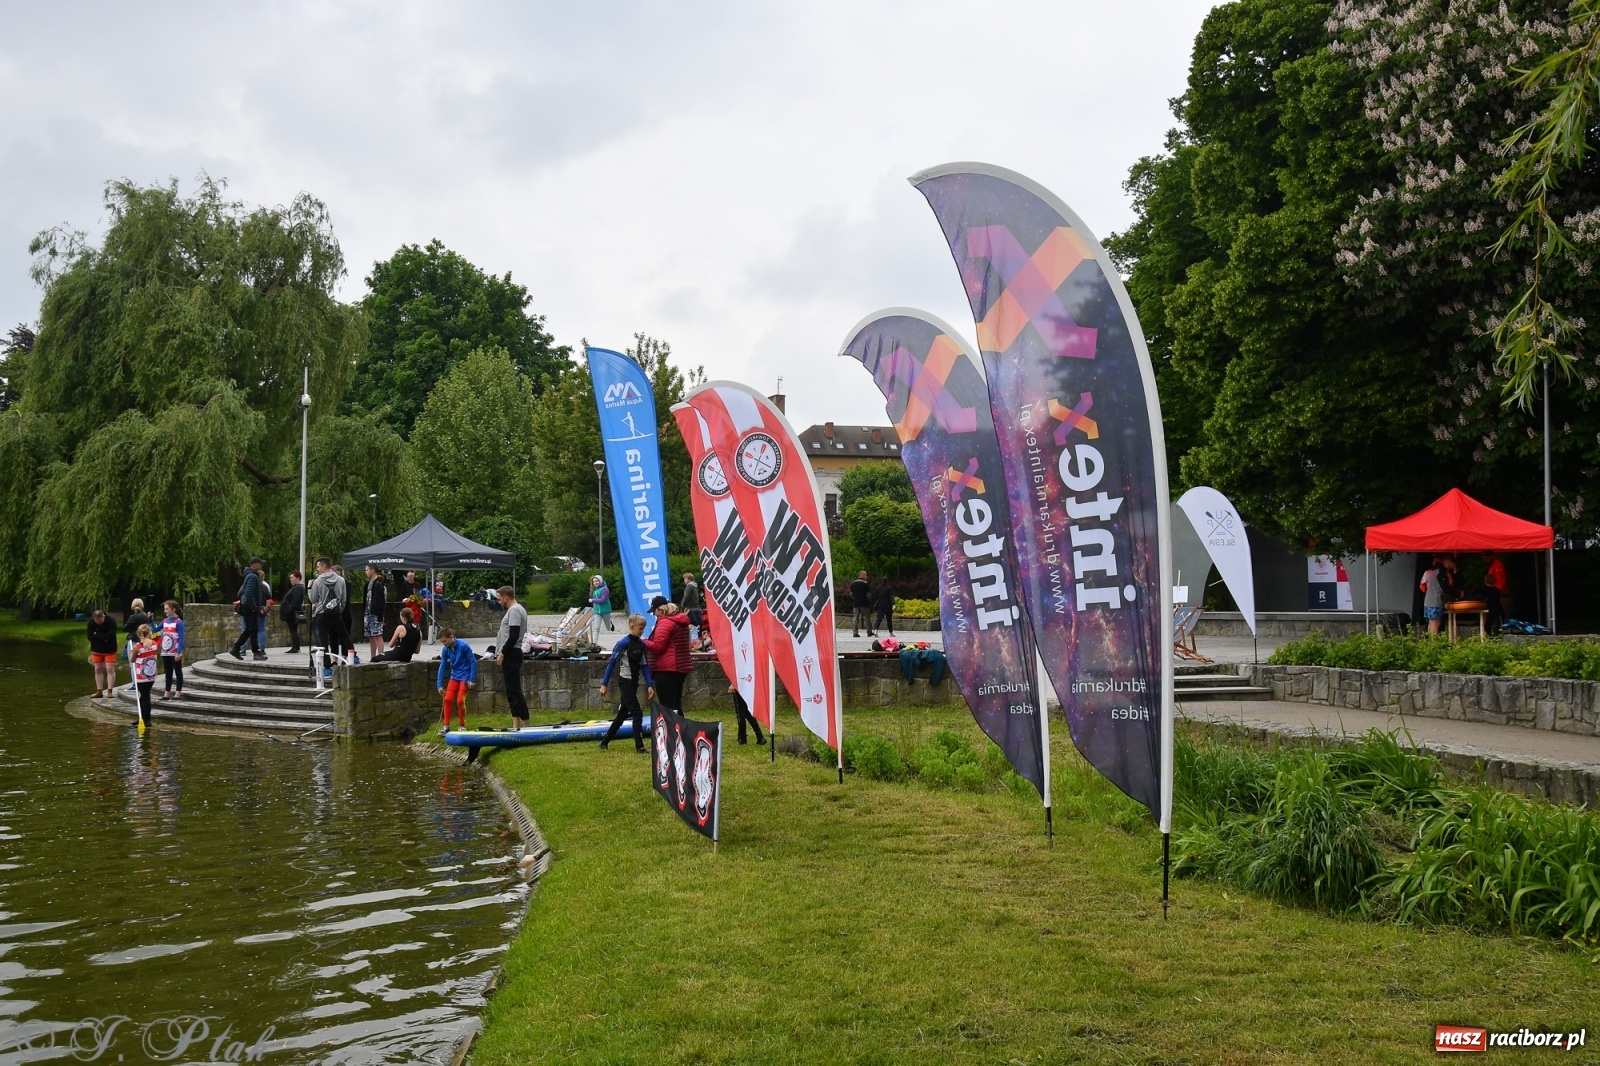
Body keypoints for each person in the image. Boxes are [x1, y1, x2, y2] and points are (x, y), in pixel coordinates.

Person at [599, 614, 655, 751]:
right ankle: (639, 747)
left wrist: (650, 684)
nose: (642, 631)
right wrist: (604, 684)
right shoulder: (623, 643)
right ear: (632, 626)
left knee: (623, 714)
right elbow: (612, 663)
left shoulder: (641, 644)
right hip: (625, 682)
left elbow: (644, 666)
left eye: (643, 628)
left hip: (634, 683)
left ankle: (604, 742)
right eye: (640, 628)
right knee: (637, 712)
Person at [643, 596, 692, 712]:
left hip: (666, 669)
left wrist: (643, 641)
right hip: (681, 667)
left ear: (660, 610)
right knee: (676, 704)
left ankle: (671, 725)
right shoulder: (680, 620)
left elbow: (658, 647)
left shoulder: (665, 622)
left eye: (654, 611)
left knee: (667, 706)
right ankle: (679, 724)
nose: (654, 614)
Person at [495, 585, 530, 729]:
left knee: (515, 691)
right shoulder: (517, 609)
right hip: (511, 653)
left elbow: (514, 635)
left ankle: (526, 724)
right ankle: (516, 723)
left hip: (511, 653)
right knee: (511, 691)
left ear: (505, 598)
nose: (499, 602)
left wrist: (503, 652)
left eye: (499, 599)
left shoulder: (514, 610)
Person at [310, 557, 349, 678]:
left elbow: (313, 599)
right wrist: (339, 610)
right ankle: (353, 657)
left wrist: (309, 588)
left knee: (323, 642)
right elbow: (343, 599)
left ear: (324, 566)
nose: (317, 569)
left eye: (318, 566)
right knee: (344, 635)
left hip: (322, 614)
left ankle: (327, 668)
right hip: (336, 613)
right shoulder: (341, 580)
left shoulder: (318, 581)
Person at [435, 627, 478, 732]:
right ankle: (446, 726)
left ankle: (462, 726)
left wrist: (472, 679)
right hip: (454, 676)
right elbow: (442, 665)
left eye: (444, 641)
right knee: (447, 699)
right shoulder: (445, 649)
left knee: (459, 700)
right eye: (441, 642)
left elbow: (473, 662)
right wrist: (439, 685)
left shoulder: (464, 646)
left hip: (465, 677)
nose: (443, 644)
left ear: (451, 637)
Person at [231, 557, 268, 661]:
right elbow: (249, 594)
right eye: (260, 563)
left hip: (248, 606)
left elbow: (243, 593)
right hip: (249, 607)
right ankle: (256, 652)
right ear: (254, 564)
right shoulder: (252, 576)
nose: (261, 565)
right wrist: (254, 608)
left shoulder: (251, 575)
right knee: (253, 630)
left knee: (249, 630)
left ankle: (236, 648)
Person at [130, 624, 160, 733]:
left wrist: (131, 653)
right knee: (144, 696)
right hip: (151, 675)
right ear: (149, 633)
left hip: (141, 675)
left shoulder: (137, 647)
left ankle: (146, 719)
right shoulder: (155, 644)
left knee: (145, 696)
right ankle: (142, 717)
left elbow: (132, 659)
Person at [87, 609, 119, 699]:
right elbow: (90, 636)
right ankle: (99, 690)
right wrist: (103, 637)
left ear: (102, 617)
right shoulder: (91, 623)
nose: (98, 623)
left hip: (109, 649)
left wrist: (97, 635)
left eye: (100, 621)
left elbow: (111, 635)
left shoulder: (111, 621)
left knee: (110, 669)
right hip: (97, 649)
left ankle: (110, 691)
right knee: (97, 669)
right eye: (96, 621)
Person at [157, 600, 184, 699]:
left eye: (167, 609)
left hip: (174, 651)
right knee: (168, 672)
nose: (165, 611)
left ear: (174, 609)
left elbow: (181, 638)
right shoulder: (165, 621)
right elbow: (155, 629)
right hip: (165, 651)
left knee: (177, 671)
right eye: (164, 609)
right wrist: (150, 619)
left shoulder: (178, 622)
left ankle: (178, 692)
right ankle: (167, 692)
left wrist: (178, 652)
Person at [333, 565, 358, 663]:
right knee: (333, 636)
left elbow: (345, 599)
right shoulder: (331, 584)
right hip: (334, 613)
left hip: (344, 613)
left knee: (345, 635)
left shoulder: (346, 584)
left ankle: (345, 655)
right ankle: (334, 658)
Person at [362, 564, 388, 660]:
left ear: (373, 570)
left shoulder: (378, 584)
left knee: (377, 635)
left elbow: (381, 601)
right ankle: (373, 657)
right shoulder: (368, 584)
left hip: (375, 613)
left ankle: (381, 656)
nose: (366, 572)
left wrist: (380, 615)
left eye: (367, 570)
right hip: (367, 613)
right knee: (371, 636)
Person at [729, 680, 766, 745]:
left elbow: (739, 674)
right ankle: (759, 736)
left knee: (740, 713)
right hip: (747, 684)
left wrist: (733, 683)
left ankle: (743, 739)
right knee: (747, 712)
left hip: (740, 685)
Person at [280, 571, 308, 654]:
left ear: (298, 578)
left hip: (292, 613)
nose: (291, 579)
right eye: (290, 578)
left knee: (293, 630)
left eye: (292, 578)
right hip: (293, 612)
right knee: (293, 630)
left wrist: (289, 610)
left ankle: (296, 647)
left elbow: (295, 601)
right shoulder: (297, 588)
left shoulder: (297, 588)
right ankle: (295, 646)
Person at [1483, 551, 1511, 634]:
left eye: (1487, 557)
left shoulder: (1497, 565)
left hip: (1500, 595)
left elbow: (1501, 582)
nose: (1485, 559)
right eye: (1484, 557)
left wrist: (1497, 591)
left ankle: (1497, 637)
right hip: (1496, 595)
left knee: (1498, 622)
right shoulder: (1493, 565)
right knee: (1496, 622)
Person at [1420, 556, 1447, 635]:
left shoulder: (1429, 572)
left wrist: (1427, 593)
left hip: (1428, 600)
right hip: (1435, 600)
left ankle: (1430, 640)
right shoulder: (1440, 572)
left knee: (1431, 622)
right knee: (1435, 623)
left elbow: (1422, 585)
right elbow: (1447, 587)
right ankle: (1434, 641)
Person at [851, 571, 873, 637]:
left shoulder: (853, 583)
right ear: (862, 575)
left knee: (855, 618)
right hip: (864, 603)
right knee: (867, 618)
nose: (866, 576)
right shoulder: (865, 583)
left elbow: (851, 594)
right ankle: (869, 632)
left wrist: (855, 599)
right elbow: (869, 594)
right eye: (865, 575)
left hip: (856, 604)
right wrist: (869, 600)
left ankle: (855, 632)